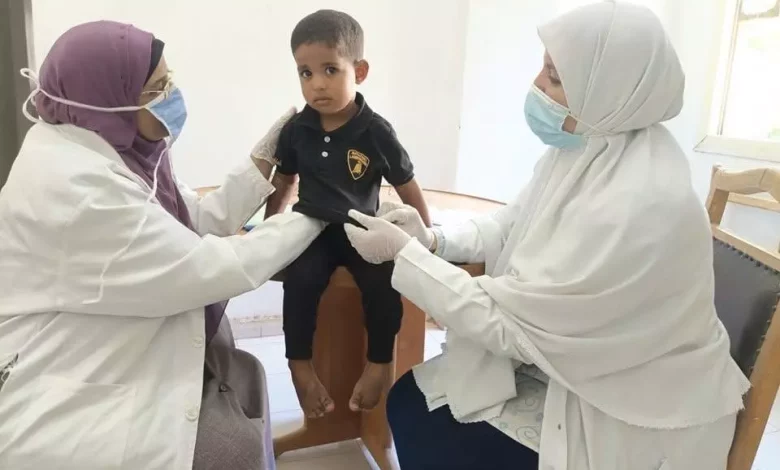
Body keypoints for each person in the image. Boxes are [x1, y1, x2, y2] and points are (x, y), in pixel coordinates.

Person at [343, 2, 750, 469]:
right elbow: (511, 224)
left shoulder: (644, 203)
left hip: (635, 410)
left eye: (554, 77)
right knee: (412, 400)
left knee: (419, 414)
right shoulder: (590, 149)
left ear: (609, 89)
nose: (537, 84)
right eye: (545, 68)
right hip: (581, 366)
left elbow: (509, 328)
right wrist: (434, 241)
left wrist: (406, 256)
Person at [0, 21, 323, 470]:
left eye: (169, 80)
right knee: (232, 450)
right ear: (108, 97)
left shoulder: (111, 147)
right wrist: (317, 212)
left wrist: (261, 161)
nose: (172, 96)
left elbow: (191, 220)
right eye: (157, 89)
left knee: (246, 376)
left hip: (117, 325)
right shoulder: (78, 188)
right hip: (78, 368)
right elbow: (204, 267)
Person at [262, 9, 431, 418]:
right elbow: (283, 181)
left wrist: (426, 237)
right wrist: (268, 231)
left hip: (362, 231)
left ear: (360, 71)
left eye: (330, 70)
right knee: (300, 282)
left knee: (383, 283)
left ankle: (379, 363)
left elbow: (407, 185)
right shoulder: (296, 130)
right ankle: (299, 366)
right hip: (311, 230)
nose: (317, 83)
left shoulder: (376, 131)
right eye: (305, 73)